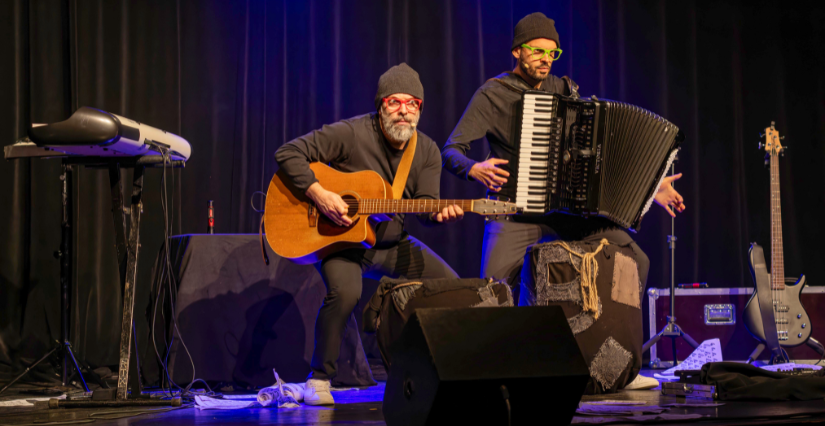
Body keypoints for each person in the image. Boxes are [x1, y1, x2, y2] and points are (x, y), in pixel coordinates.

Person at [441, 12, 685, 390]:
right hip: (514, 211)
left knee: (634, 258)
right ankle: (495, 377)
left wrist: (652, 189)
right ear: (517, 51)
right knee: (493, 292)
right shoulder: (493, 94)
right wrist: (474, 168)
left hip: (564, 211)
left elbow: (597, 160)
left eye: (552, 53)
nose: (545, 60)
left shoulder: (564, 89)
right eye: (537, 51)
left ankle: (619, 366)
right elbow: (451, 150)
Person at [275, 63, 464, 405]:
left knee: (451, 287)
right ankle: (318, 380)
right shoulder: (352, 133)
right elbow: (288, 153)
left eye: (413, 104)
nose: (404, 111)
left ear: (420, 109)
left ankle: (444, 372)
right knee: (346, 292)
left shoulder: (427, 151)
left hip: (390, 242)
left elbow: (426, 207)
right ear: (381, 105)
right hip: (342, 241)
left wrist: (440, 216)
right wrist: (320, 193)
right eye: (395, 102)